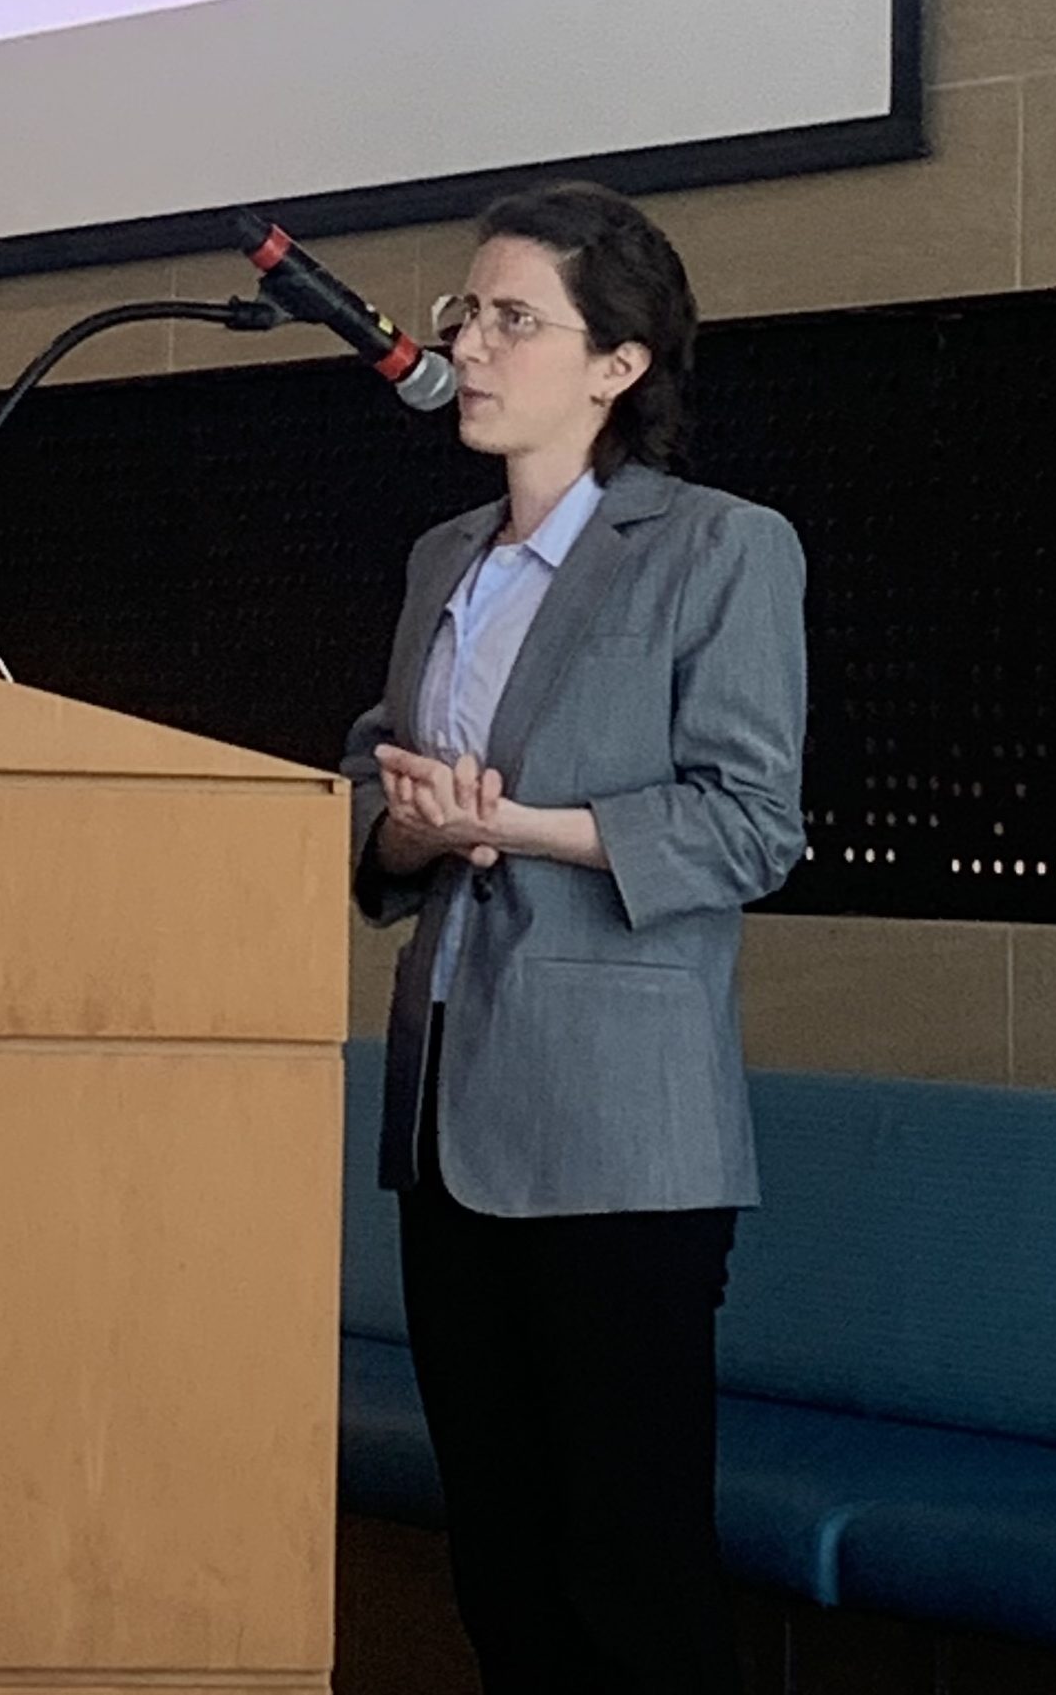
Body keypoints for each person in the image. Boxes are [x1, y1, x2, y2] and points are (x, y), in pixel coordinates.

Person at [341, 179, 806, 1695]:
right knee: (500, 1561)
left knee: (631, 1573)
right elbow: (384, 793)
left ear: (616, 365)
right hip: (448, 1108)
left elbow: (749, 823)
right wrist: (408, 822)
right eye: (468, 311)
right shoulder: (440, 562)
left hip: (620, 1136)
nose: (470, 345)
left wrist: (520, 824)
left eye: (514, 319)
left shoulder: (723, 549)